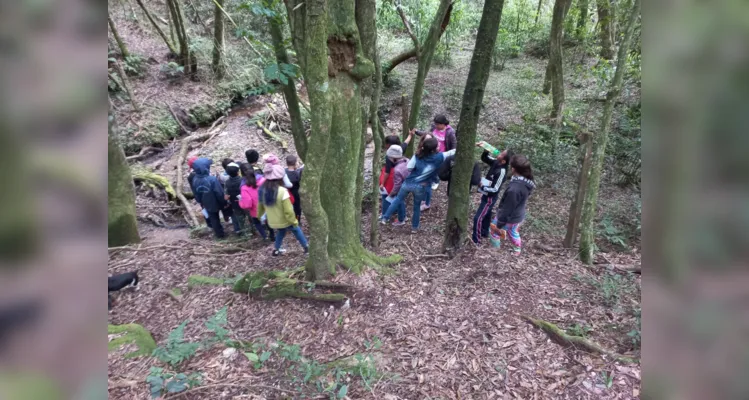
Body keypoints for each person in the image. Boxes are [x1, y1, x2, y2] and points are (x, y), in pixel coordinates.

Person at [381, 137, 456, 233]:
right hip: (421, 186)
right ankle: (414, 228)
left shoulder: (417, 155)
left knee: (398, 199)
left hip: (408, 183)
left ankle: (385, 217)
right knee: (416, 207)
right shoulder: (440, 157)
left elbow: (409, 168)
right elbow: (452, 152)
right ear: (434, 149)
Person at [257, 164, 309, 256]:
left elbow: (260, 207)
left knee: (281, 232)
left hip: (273, 221)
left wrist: (259, 217)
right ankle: (306, 247)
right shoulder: (282, 191)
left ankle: (276, 250)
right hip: (286, 220)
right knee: (297, 230)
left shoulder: (262, 190)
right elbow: (288, 211)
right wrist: (293, 221)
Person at [492, 155, 535, 254]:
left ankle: (495, 253)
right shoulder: (527, 180)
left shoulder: (514, 189)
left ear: (513, 169)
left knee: (494, 232)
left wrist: (499, 224)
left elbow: (508, 208)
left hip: (510, 217)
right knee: (513, 232)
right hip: (519, 215)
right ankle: (517, 251)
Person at [472, 146, 514, 244]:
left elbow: (495, 189)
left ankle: (476, 241)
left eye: (501, 154)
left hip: (490, 198)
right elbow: (485, 158)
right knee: (487, 215)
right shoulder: (496, 161)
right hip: (486, 193)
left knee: (478, 218)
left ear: (504, 161)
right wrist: (486, 149)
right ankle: (484, 232)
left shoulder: (502, 172)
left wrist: (482, 187)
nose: (499, 153)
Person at [189, 158, 228, 239]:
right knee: (224, 212)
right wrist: (224, 202)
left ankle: (220, 235)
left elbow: (196, 193)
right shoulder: (212, 179)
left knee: (214, 218)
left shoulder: (195, 179)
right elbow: (219, 192)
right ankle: (230, 224)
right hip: (217, 201)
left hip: (206, 202)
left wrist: (200, 201)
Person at [238, 163, 271, 240]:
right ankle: (272, 234)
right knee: (268, 219)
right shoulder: (263, 179)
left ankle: (265, 236)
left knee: (257, 222)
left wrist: (240, 201)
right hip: (268, 205)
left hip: (255, 210)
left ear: (242, 173)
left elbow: (247, 204)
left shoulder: (244, 187)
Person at [383, 145, 409, 226]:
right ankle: (404, 217)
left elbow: (397, 186)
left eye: (389, 158)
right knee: (401, 201)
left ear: (394, 158)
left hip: (404, 187)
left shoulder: (397, 170)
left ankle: (401, 219)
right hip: (410, 183)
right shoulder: (407, 160)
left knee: (399, 201)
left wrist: (391, 194)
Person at [223, 162, 247, 235]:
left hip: (235, 203)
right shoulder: (243, 180)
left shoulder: (227, 183)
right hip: (246, 202)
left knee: (239, 218)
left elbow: (226, 197)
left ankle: (242, 232)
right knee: (249, 217)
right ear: (238, 171)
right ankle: (253, 230)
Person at [285, 154, 304, 223]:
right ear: (295, 163)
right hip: (295, 193)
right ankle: (297, 220)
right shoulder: (297, 174)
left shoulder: (284, 172)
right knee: (297, 208)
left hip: (286, 193)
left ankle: (289, 219)